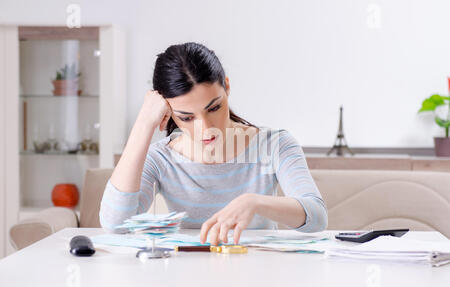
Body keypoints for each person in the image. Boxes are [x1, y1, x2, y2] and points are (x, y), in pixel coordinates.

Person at [99, 42, 328, 245]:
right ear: (167, 111)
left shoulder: (275, 145)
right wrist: (143, 124)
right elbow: (116, 226)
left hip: (259, 275)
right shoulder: (161, 158)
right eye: (187, 117)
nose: (206, 129)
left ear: (226, 87)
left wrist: (255, 203)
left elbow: (317, 217)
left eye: (214, 108)